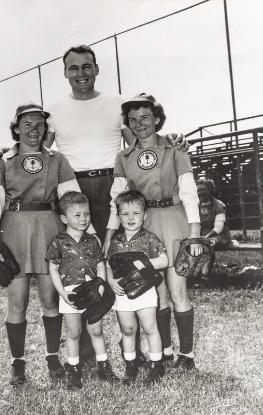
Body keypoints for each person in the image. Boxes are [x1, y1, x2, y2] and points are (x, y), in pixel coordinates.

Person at [0, 44, 188, 363]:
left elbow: (140, 142)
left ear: (96, 69)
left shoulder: (117, 103)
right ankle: (88, 351)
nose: (80, 73)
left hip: (112, 183)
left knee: (125, 259)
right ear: (65, 72)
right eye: (73, 68)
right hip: (72, 190)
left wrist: (169, 140)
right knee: (78, 266)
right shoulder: (53, 111)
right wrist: (1, 156)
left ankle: (142, 343)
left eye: (86, 66)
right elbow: (36, 151)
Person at [0, 103, 86, 385]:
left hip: (48, 231)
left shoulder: (57, 159)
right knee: (17, 301)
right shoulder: (2, 161)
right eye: (26, 124)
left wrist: (82, 233)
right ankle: (18, 364)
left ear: (45, 129)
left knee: (51, 299)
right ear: (16, 128)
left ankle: (53, 357)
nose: (33, 130)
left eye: (39, 125)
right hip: (14, 232)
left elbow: (72, 199)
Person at [104, 93, 202, 371]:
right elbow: (117, 199)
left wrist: (194, 233)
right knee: (154, 292)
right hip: (143, 226)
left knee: (177, 289)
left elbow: (189, 193)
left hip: (174, 221)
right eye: (132, 120)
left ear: (157, 118)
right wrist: (111, 233)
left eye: (145, 117)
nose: (139, 124)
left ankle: (187, 354)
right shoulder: (123, 156)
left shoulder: (174, 147)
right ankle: (165, 351)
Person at [46, 191, 118, 389]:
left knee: (96, 329)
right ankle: (74, 370)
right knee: (74, 331)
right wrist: (62, 293)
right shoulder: (58, 242)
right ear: (64, 218)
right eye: (77, 215)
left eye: (86, 214)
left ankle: (103, 366)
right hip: (70, 293)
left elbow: (101, 264)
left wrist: (101, 285)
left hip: (93, 292)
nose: (83, 218)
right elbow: (53, 268)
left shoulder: (93, 240)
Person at [106, 190, 169, 384]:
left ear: (145, 215)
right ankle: (130, 366)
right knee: (128, 328)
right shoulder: (115, 240)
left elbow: (165, 260)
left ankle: (156, 365)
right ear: (118, 217)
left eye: (136, 213)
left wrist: (145, 263)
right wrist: (111, 281)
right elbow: (108, 264)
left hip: (145, 290)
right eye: (125, 214)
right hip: (123, 291)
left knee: (150, 327)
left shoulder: (149, 238)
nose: (131, 218)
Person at [196, 178, 231, 247]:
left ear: (210, 190)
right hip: (202, 235)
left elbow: (218, 228)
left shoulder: (219, 205)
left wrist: (206, 237)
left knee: (209, 243)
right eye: (198, 191)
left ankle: (210, 257)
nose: (200, 193)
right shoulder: (196, 206)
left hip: (219, 236)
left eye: (203, 190)